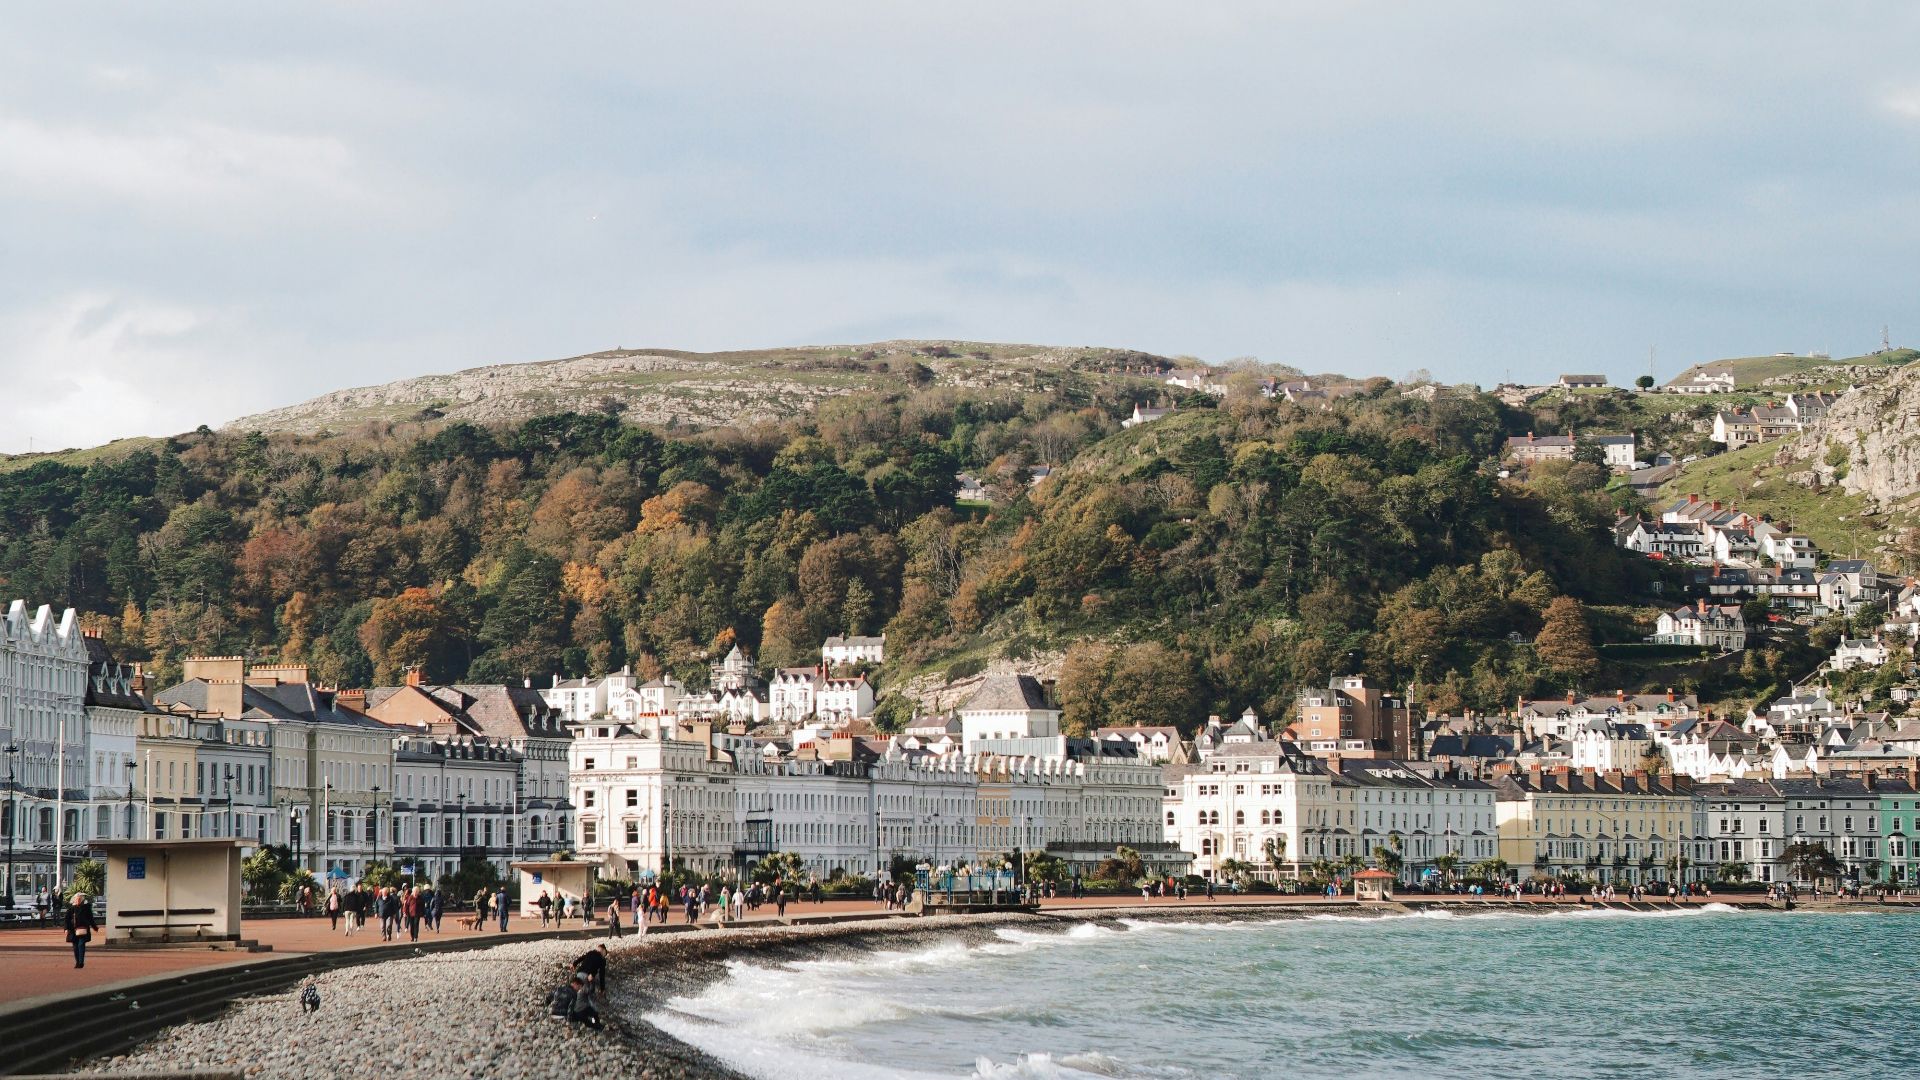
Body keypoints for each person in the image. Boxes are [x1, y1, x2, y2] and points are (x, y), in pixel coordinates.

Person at [64, 892, 98, 969]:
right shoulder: (71, 909)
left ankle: (81, 962)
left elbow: (90, 919)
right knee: (75, 947)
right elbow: (66, 919)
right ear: (74, 900)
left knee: (81, 945)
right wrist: (66, 929)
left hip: (83, 929)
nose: (78, 900)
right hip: (73, 930)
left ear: (82, 900)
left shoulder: (86, 908)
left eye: (80, 899)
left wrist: (94, 927)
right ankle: (77, 962)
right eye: (77, 899)